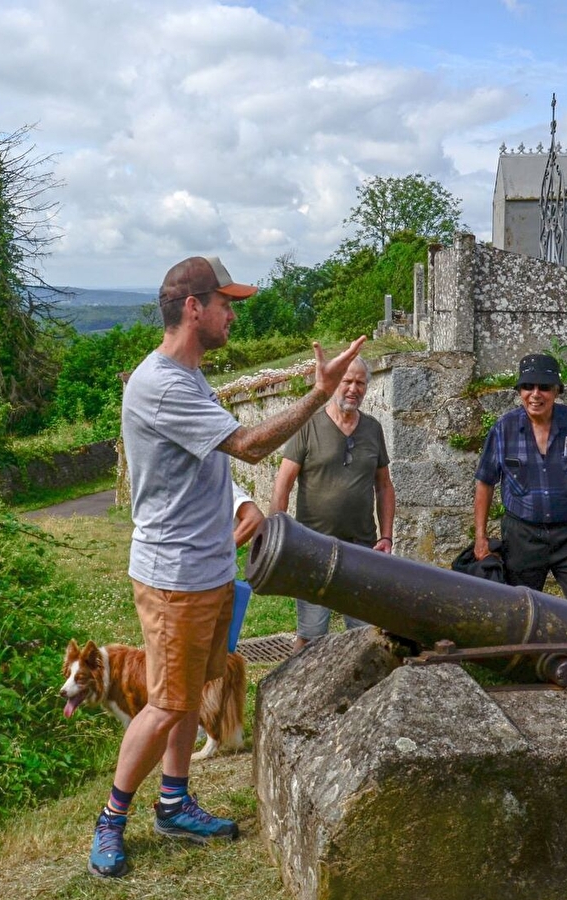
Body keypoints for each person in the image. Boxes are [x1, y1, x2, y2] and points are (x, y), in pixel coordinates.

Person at [91, 255, 366, 879]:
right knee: (165, 703)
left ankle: (174, 801)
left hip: (209, 567)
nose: (232, 315)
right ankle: (111, 819)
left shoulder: (190, 379)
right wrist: (318, 394)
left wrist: (241, 502)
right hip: (174, 576)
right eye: (225, 304)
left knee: (191, 695)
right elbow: (245, 444)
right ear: (195, 309)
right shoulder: (161, 383)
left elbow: (205, 465)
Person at [472, 353, 567, 608]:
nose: (535, 394)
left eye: (544, 387)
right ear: (520, 392)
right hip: (522, 537)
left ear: (557, 391)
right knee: (519, 610)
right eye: (528, 387)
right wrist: (480, 536)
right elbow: (485, 482)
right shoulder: (503, 429)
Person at [271, 356, 396, 648]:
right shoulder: (309, 426)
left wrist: (386, 535)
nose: (353, 389)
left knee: (365, 633)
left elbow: (384, 486)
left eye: (360, 383)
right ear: (334, 383)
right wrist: (278, 536)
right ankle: (298, 689)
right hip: (312, 546)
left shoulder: (373, 429)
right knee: (311, 633)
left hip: (361, 546)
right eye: (347, 381)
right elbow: (283, 484)